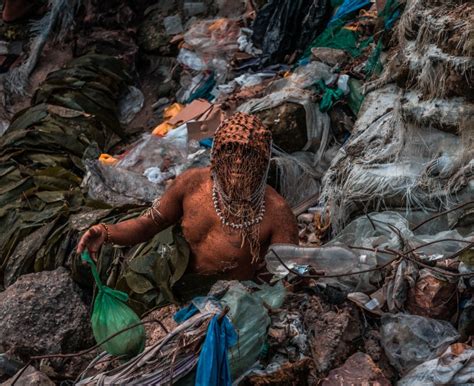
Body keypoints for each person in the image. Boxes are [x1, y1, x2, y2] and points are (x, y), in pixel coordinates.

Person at [77, 112, 298, 299]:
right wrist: (106, 232)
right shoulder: (192, 183)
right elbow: (148, 223)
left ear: (262, 162)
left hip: (226, 303)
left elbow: (281, 277)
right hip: (173, 282)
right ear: (216, 155)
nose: (238, 161)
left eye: (248, 154)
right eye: (231, 150)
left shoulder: (276, 213)